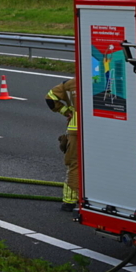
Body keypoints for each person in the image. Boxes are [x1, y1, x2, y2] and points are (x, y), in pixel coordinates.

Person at [46, 77, 79, 212]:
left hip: (76, 130)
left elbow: (50, 98)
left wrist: (66, 111)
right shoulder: (107, 83)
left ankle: (69, 202)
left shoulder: (71, 83)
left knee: (75, 165)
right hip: (103, 129)